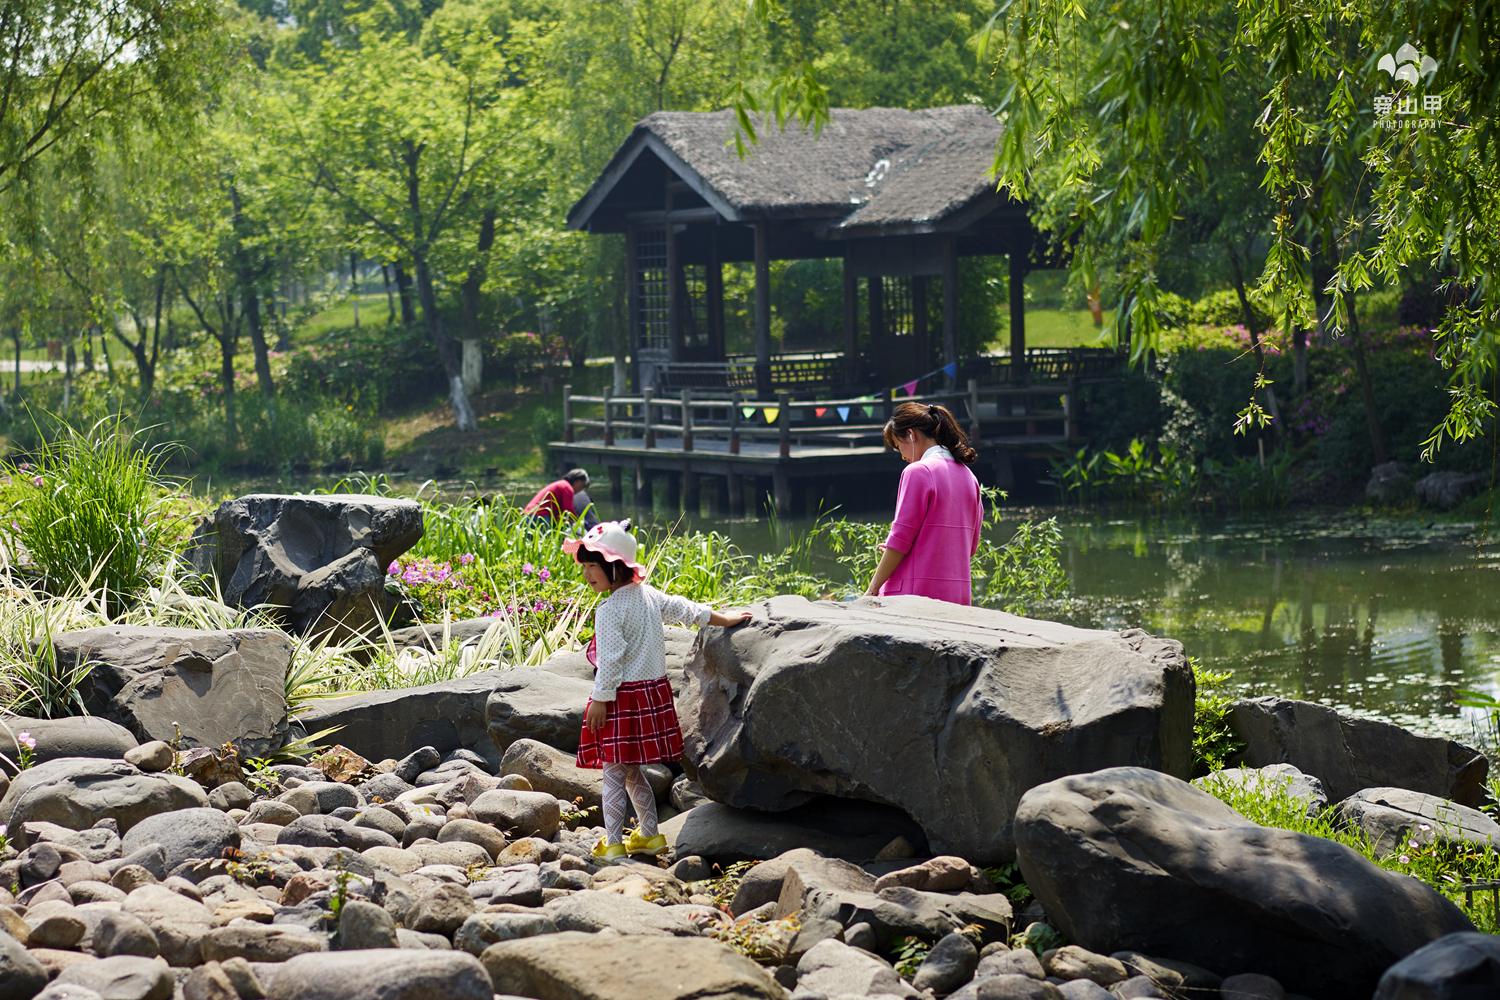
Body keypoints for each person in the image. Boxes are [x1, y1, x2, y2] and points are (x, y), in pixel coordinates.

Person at [564, 520, 750, 861]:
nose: (587, 573)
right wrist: (724, 618)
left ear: (615, 565)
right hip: (651, 695)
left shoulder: (609, 609)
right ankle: (650, 835)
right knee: (631, 770)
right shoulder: (648, 596)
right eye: (585, 565)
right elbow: (687, 610)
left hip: (620, 698)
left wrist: (600, 700)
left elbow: (611, 661)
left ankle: (613, 842)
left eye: (593, 565)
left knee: (613, 773)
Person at [865, 401, 983, 604]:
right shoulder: (968, 476)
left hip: (914, 596)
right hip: (958, 596)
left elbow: (900, 541)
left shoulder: (917, 472)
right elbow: (970, 547)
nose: (902, 455)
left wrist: (871, 590)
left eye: (898, 445)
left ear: (911, 435)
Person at [523, 468, 590, 522]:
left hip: (528, 514)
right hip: (540, 516)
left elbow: (559, 512)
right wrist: (578, 522)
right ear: (577, 481)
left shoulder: (561, 484)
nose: (581, 490)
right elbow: (568, 511)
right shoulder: (567, 488)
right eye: (582, 486)